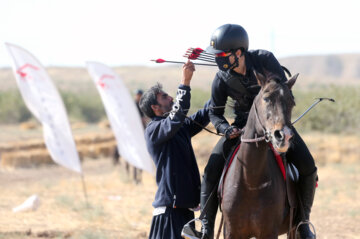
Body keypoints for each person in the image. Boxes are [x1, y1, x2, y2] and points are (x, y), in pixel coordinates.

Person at [199, 24, 317, 239]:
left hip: (275, 121)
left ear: (239, 53)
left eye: (222, 55)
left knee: (308, 166)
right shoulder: (221, 78)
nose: (218, 60)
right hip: (242, 128)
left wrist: (278, 124)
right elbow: (214, 114)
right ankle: (206, 226)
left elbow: (281, 91)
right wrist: (226, 129)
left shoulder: (264, 60)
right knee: (211, 169)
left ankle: (302, 223)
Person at [139, 61, 210, 239]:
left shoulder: (178, 127)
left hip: (185, 212)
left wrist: (222, 85)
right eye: (165, 97)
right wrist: (185, 82)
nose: (171, 98)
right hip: (169, 214)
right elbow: (177, 115)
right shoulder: (154, 129)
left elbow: (205, 113)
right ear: (155, 108)